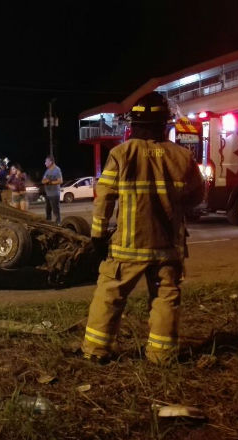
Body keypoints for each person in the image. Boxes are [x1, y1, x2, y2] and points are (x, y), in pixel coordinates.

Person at [81, 92, 204, 365]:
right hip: (167, 247)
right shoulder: (182, 156)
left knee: (110, 293)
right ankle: (162, 355)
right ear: (164, 123)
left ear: (134, 124)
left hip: (128, 246)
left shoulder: (121, 154)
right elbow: (197, 196)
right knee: (165, 296)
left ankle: (96, 350)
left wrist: (98, 235)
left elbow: (104, 197)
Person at [41, 155, 63, 224]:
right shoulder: (47, 171)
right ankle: (48, 224)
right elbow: (43, 181)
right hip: (48, 194)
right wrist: (46, 181)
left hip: (54, 194)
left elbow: (60, 181)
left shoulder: (57, 170)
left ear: (50, 162)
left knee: (56, 211)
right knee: (48, 211)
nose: (45, 163)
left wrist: (50, 182)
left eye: (46, 161)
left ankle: (58, 224)